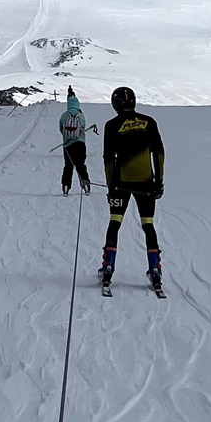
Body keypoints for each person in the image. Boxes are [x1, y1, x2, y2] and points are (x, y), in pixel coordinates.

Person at [99, 86, 164, 293]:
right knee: (148, 225)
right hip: (146, 182)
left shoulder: (111, 125)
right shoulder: (149, 122)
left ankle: (108, 267)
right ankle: (155, 270)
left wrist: (111, 186)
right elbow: (159, 153)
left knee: (115, 222)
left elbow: (108, 159)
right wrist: (158, 181)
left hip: (121, 183)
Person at [57, 88, 93, 195]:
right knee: (81, 165)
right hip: (80, 143)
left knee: (68, 166)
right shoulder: (81, 115)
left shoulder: (64, 115)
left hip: (67, 145)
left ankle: (66, 186)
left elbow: (61, 128)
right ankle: (86, 185)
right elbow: (83, 127)